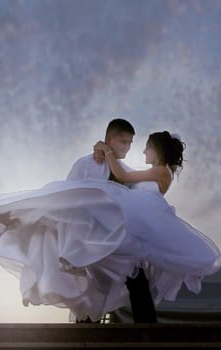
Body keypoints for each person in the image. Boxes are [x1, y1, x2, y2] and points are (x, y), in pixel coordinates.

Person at [0, 123, 221, 323]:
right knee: (115, 257)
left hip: (142, 218)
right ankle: (20, 220)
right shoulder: (152, 171)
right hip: (136, 218)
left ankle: (25, 222)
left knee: (86, 209)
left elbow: (122, 175)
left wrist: (106, 150)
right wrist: (104, 151)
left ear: (158, 150)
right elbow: (122, 178)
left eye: (146, 146)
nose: (143, 150)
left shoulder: (161, 171)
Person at [67, 118, 158, 323]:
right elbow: (68, 199)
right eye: (123, 142)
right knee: (91, 291)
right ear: (110, 139)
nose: (127, 147)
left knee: (137, 279)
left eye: (130, 143)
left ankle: (150, 335)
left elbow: (138, 203)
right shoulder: (85, 164)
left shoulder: (124, 170)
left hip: (118, 242)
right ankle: (85, 335)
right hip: (91, 241)